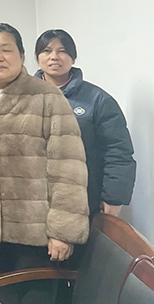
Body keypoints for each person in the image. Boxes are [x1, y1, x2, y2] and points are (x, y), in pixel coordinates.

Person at [0, 23, 89, 304]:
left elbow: (68, 169)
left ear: (21, 55)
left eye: (6, 50)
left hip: (37, 231)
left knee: (37, 298)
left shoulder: (47, 97)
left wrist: (63, 232)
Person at [34, 29, 135, 218]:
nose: (54, 57)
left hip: (83, 202)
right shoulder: (22, 97)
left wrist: (114, 199)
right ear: (37, 57)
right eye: (47, 50)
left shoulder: (98, 100)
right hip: (32, 204)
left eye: (62, 51)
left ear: (73, 58)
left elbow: (118, 151)